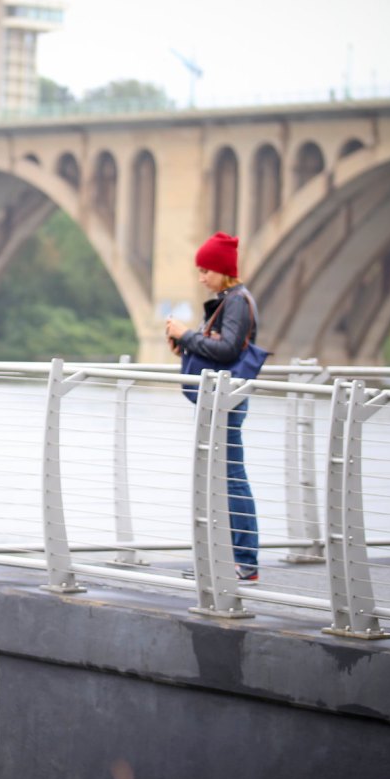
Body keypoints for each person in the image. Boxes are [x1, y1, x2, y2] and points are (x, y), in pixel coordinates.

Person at [164, 231, 260, 582]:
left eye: (205, 270)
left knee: (231, 478)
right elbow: (220, 346)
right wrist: (186, 344)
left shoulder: (236, 301)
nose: (201, 277)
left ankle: (245, 562)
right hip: (219, 398)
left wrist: (187, 334)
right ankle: (222, 560)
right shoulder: (229, 300)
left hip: (225, 401)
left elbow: (229, 350)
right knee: (219, 479)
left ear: (223, 270)